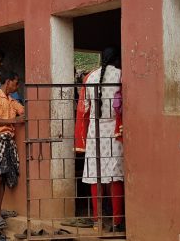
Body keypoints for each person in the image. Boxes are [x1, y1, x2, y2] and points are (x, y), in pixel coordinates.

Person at [82, 47, 125, 232]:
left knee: (95, 174)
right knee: (115, 174)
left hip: (94, 130)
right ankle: (117, 221)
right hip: (114, 129)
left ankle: (96, 221)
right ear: (116, 59)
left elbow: (84, 106)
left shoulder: (90, 77)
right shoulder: (121, 75)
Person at [0, 71, 25, 229]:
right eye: (16, 82)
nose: (17, 86)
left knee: (1, 177)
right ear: (8, 82)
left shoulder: (11, 100)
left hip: (7, 140)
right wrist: (13, 121)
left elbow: (23, 111)